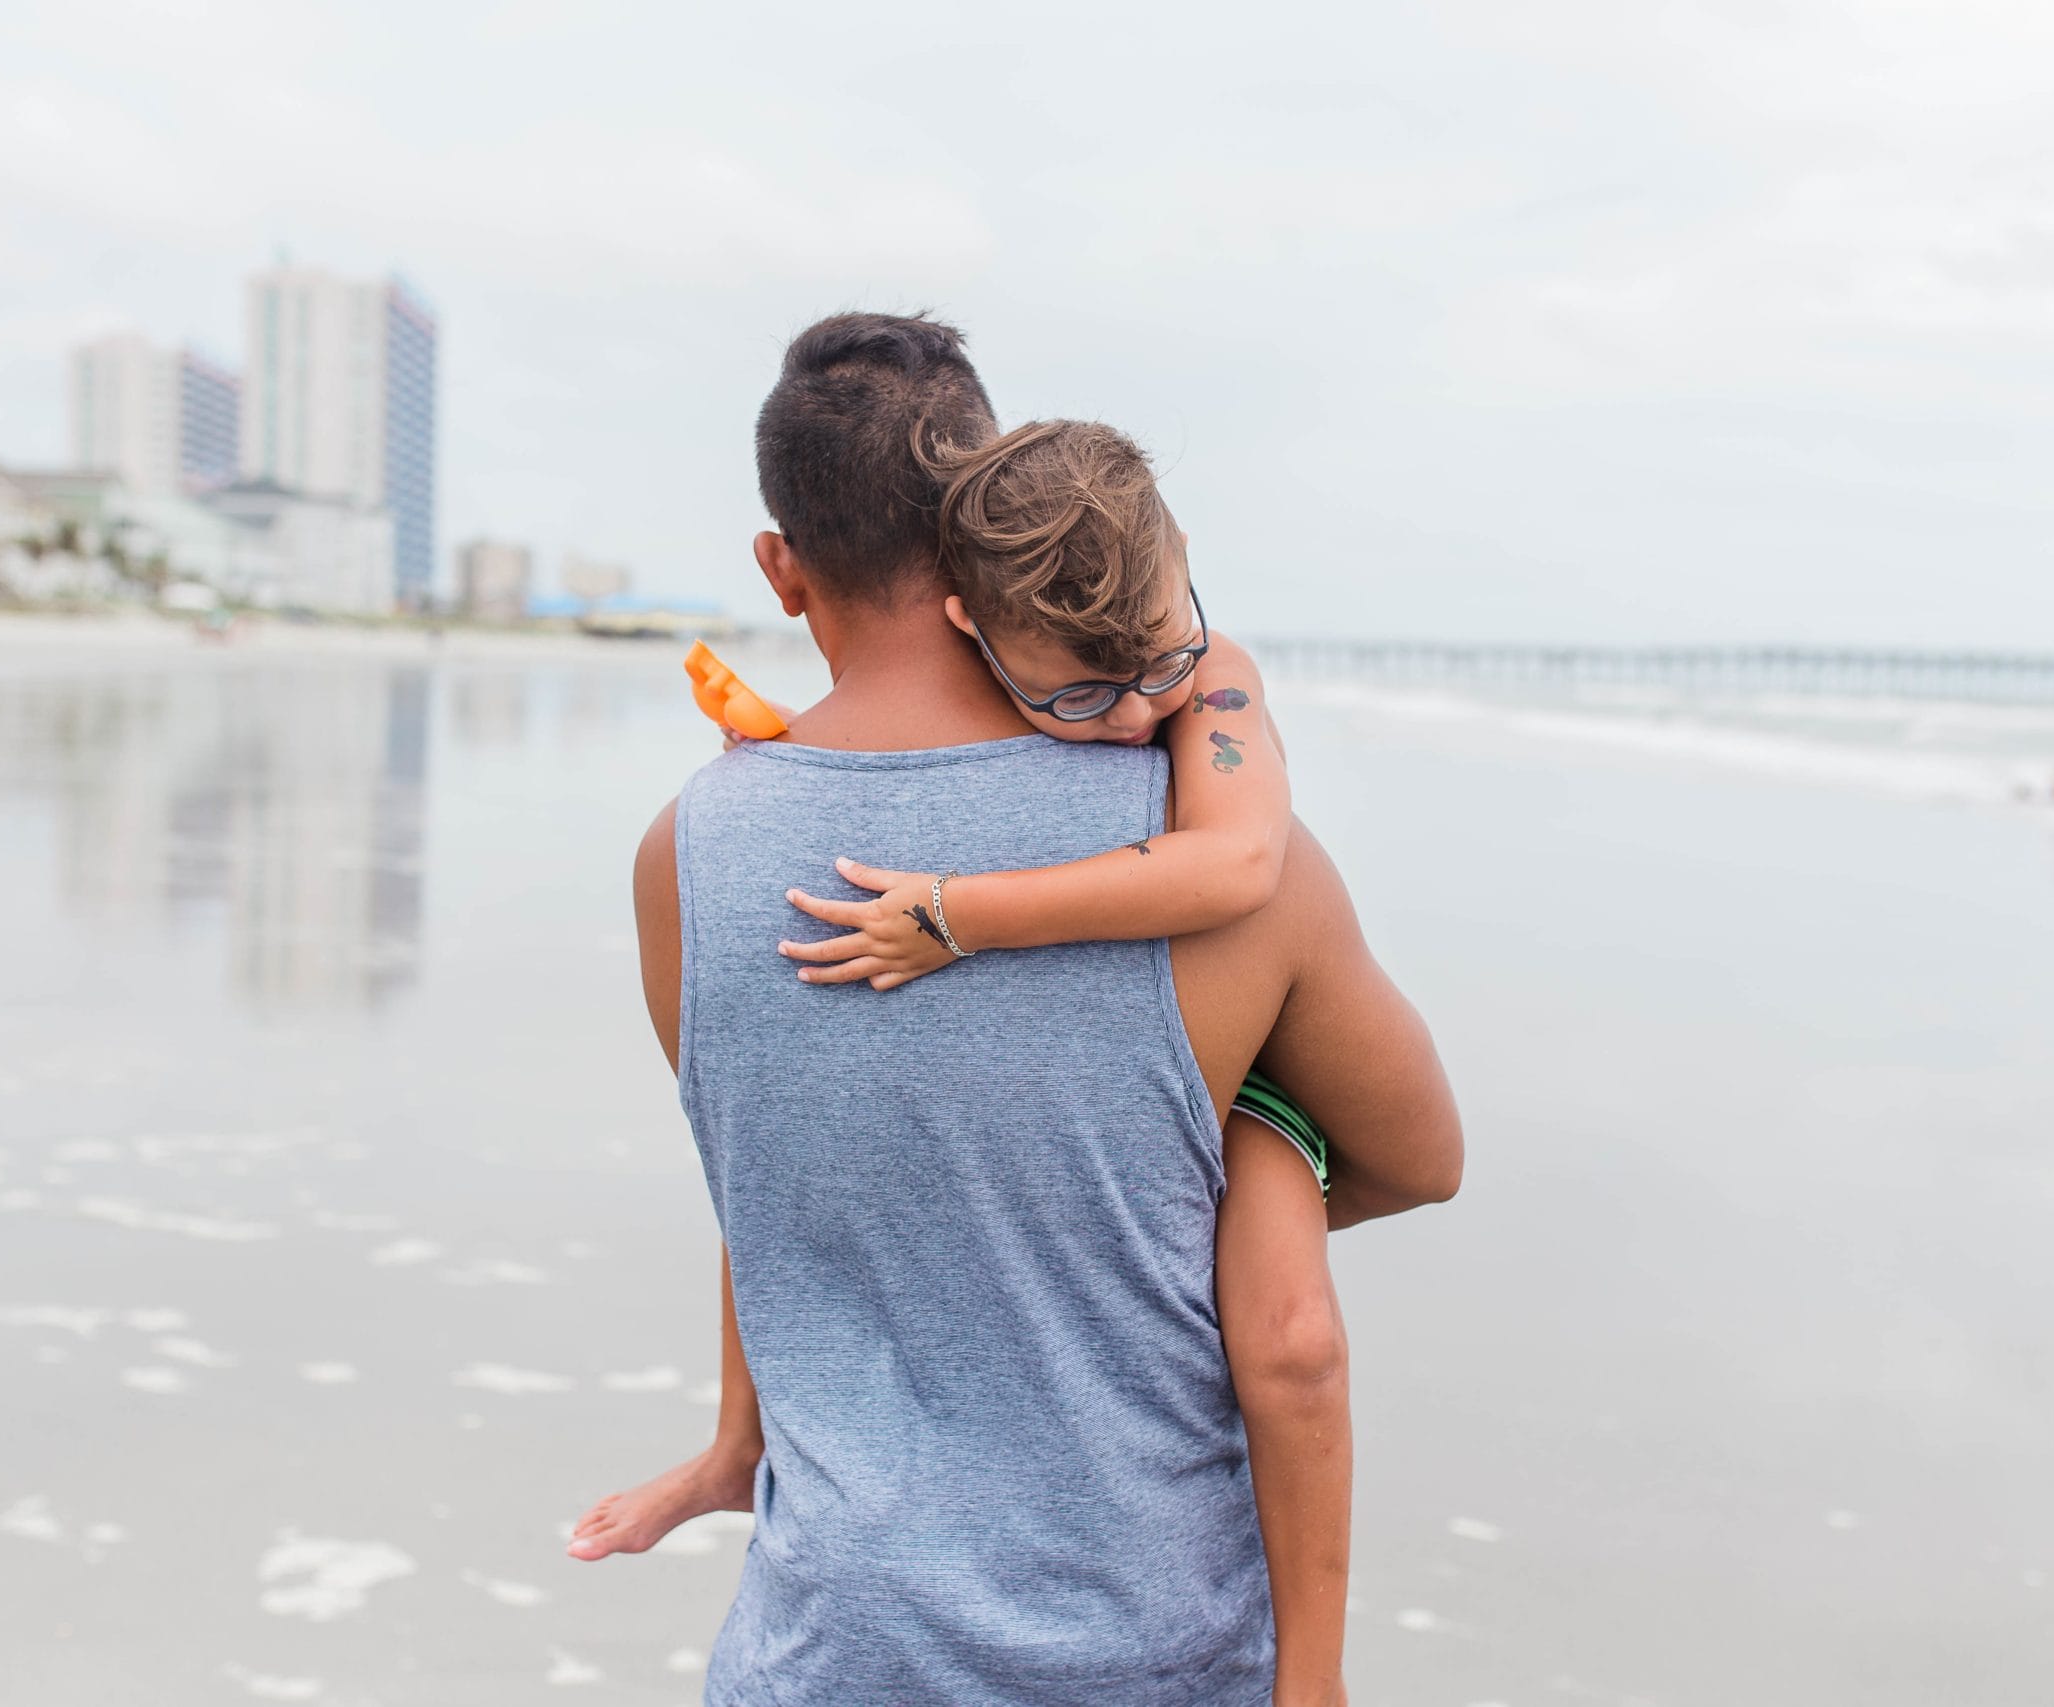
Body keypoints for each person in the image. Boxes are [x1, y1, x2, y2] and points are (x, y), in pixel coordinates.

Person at [571, 313, 1461, 1705]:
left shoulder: (682, 857)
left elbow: (769, 1198)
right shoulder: (1210, 837)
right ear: (982, 517)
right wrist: (1218, 1171)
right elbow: (1420, 1155)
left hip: (832, 1650)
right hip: (1152, 1655)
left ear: (782, 568)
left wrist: (733, 1442)